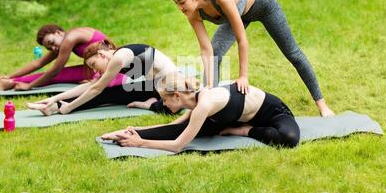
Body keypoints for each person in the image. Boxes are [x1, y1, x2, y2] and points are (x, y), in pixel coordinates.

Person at [171, 0, 334, 117]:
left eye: (181, 2)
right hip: (239, 13)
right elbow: (206, 50)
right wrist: (207, 87)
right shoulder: (193, 13)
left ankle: (322, 105)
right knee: (216, 52)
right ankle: (211, 107)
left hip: (263, 6)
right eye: (176, 3)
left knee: (293, 54)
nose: (180, 8)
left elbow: (242, 40)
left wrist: (243, 76)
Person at [101, 73, 300, 153]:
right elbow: (174, 128)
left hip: (272, 114)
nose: (164, 103)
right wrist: (133, 131)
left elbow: (178, 146)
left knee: (288, 138)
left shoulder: (204, 104)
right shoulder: (194, 104)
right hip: (232, 117)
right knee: (182, 128)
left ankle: (244, 131)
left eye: (165, 99)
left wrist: (141, 143)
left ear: (178, 96)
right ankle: (122, 135)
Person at [27, 41, 196, 115]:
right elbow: (92, 85)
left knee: (105, 94)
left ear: (101, 54)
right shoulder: (120, 57)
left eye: (94, 64)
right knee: (108, 93)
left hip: (172, 90)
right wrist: (54, 97)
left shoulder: (119, 58)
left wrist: (69, 108)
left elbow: (96, 88)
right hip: (154, 87)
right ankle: (52, 106)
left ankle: (151, 104)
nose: (95, 70)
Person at [0, 24, 126, 90]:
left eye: (51, 43)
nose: (53, 48)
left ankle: (6, 83)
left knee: (61, 74)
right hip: (101, 67)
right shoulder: (62, 42)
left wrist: (30, 86)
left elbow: (56, 71)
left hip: (111, 67)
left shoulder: (70, 38)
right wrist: (9, 75)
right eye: (48, 47)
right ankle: (6, 81)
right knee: (59, 73)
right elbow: (38, 63)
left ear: (58, 32)